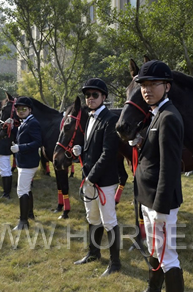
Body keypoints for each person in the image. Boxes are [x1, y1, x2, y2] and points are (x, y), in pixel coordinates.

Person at [133, 60, 185, 292]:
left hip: (159, 203)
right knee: (156, 250)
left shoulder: (169, 117)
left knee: (168, 256)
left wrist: (162, 208)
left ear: (167, 86)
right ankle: (153, 289)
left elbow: (170, 167)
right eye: (143, 84)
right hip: (149, 198)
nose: (147, 89)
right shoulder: (157, 113)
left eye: (154, 84)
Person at [72, 78, 121, 277]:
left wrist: (91, 178)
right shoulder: (89, 117)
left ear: (103, 97)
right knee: (92, 218)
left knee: (109, 221)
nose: (90, 99)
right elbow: (94, 149)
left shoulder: (110, 119)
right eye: (87, 95)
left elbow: (108, 153)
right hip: (89, 178)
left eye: (95, 95)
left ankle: (115, 263)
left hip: (105, 181)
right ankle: (93, 253)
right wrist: (81, 151)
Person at [6, 96, 42, 231]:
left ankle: (23, 221)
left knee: (21, 191)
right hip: (24, 161)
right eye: (18, 109)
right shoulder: (25, 121)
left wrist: (20, 148)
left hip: (28, 162)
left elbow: (37, 142)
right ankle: (30, 214)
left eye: (23, 109)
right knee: (26, 188)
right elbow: (23, 135)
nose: (20, 111)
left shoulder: (33, 123)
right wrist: (12, 127)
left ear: (30, 110)